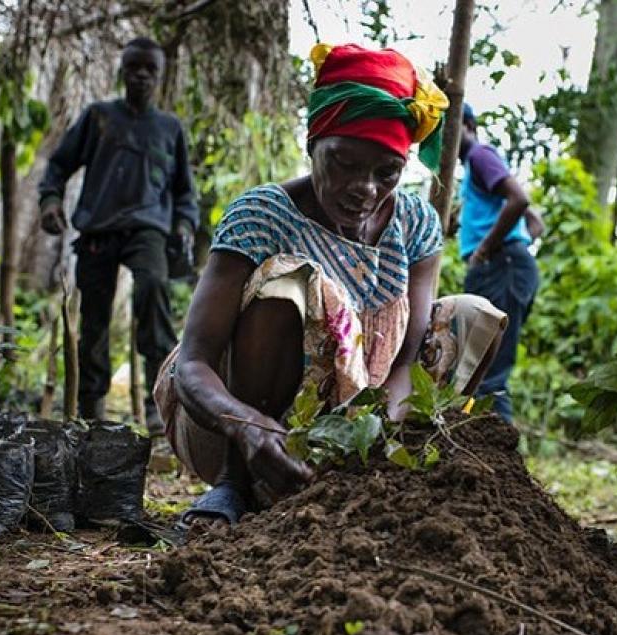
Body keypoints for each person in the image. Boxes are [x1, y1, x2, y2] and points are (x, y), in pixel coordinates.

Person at [153, 44, 507, 522]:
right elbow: (192, 364)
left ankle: (366, 485)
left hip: (349, 434)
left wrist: (381, 445)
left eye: (387, 173)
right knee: (289, 282)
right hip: (233, 431)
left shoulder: (416, 223)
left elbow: (407, 363)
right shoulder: (264, 214)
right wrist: (249, 428)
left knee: (470, 315)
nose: (365, 188)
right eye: (343, 163)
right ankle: (235, 487)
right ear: (312, 144)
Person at [38, 38, 199, 433]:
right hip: (98, 228)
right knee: (93, 318)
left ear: (159, 77)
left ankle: (160, 410)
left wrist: (183, 226)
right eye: (134, 68)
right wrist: (50, 203)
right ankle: (92, 415)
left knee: (153, 290)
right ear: (122, 71)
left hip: (148, 229)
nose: (141, 76)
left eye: (150, 70)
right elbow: (57, 166)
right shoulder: (98, 117)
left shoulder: (169, 128)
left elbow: (184, 191)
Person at [458, 103, 540, 424]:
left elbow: (520, 200)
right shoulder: (473, 168)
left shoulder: (480, 155)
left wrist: (489, 250)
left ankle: (499, 468)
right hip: (508, 266)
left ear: (467, 124)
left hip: (501, 267)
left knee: (487, 373)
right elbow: (536, 223)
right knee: (478, 368)